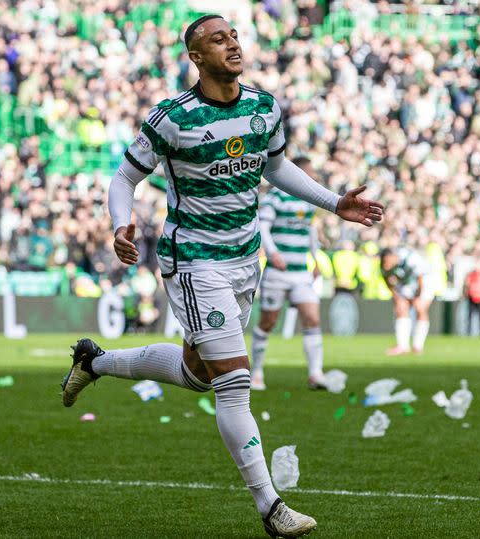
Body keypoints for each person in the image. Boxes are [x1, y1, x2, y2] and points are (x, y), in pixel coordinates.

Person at [60, 14, 384, 538]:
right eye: (218, 39)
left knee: (199, 373)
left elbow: (276, 170)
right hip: (193, 260)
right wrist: (122, 223)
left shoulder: (264, 107)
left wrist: (334, 203)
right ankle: (271, 509)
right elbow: (124, 178)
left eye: (233, 35)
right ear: (196, 57)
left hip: (244, 260)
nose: (232, 43)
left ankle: (95, 362)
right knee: (234, 381)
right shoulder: (172, 119)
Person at [250, 156, 326, 391]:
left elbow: (310, 231)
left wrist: (315, 259)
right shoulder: (276, 197)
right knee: (268, 322)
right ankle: (257, 372)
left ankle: (315, 374)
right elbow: (263, 226)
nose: (313, 175)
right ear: (300, 172)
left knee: (312, 318)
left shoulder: (308, 201)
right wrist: (272, 253)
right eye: (311, 171)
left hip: (301, 273)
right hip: (277, 273)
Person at [380, 247, 432, 355]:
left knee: (420, 308)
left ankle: (418, 346)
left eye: (387, 261)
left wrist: (418, 295)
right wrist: (396, 296)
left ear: (392, 257)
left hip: (425, 280)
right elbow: (386, 278)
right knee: (401, 307)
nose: (386, 265)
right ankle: (403, 346)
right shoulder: (385, 266)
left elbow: (420, 277)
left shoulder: (409, 258)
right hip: (407, 283)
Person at [463, 260, 480, 335]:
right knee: (469, 316)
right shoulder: (470, 274)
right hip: (471, 297)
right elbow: (466, 285)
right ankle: (468, 332)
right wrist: (466, 294)